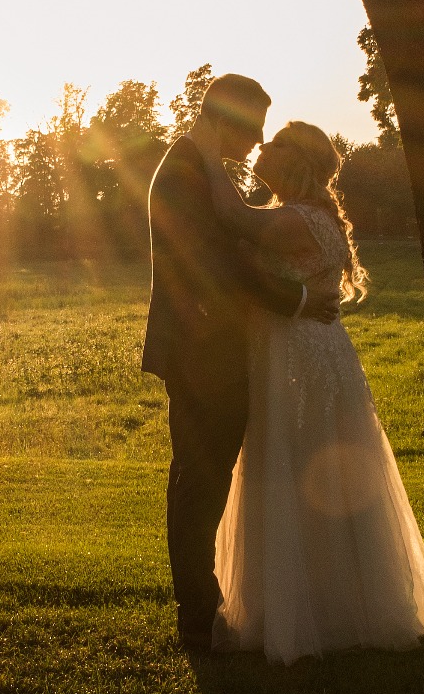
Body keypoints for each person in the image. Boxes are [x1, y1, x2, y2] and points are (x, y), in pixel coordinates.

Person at [197, 120, 424, 663]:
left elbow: (231, 218)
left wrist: (207, 154)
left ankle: (306, 614)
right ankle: (335, 603)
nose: (262, 146)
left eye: (276, 142)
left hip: (295, 355)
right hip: (318, 351)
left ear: (297, 161)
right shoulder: (311, 216)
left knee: (293, 468)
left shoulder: (293, 220)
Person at [143, 75, 340, 652]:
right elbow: (216, 263)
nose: (257, 142)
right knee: (200, 484)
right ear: (225, 119)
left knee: (206, 482)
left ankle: (205, 611)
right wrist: (297, 300)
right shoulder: (185, 170)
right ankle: (198, 618)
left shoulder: (200, 167)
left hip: (217, 348)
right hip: (202, 348)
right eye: (253, 129)